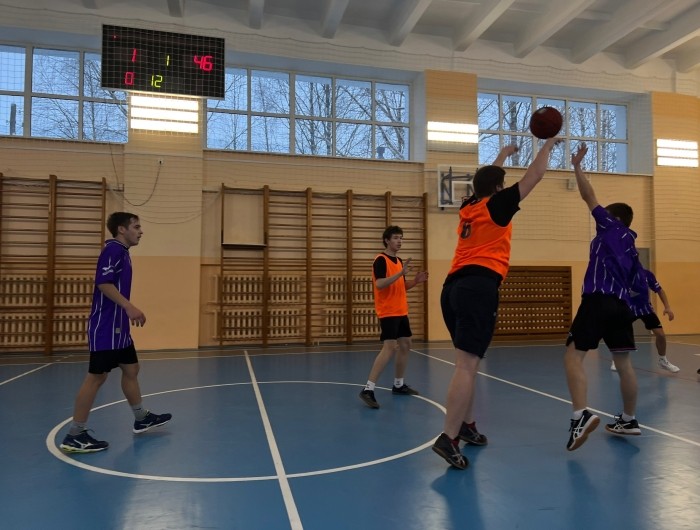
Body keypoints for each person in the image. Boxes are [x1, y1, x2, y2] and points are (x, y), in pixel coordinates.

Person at [432, 139, 559, 469]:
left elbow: (484, 179)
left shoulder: (469, 206)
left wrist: (502, 155)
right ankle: (448, 437)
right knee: (466, 366)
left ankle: (466, 425)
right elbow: (534, 176)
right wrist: (546, 145)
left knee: (468, 363)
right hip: (478, 286)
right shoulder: (497, 205)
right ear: (499, 188)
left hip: (452, 288)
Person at [60, 212, 172, 453]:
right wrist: (129, 306)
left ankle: (141, 418)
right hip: (106, 327)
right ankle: (75, 434)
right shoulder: (112, 250)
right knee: (96, 377)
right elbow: (103, 283)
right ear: (122, 229)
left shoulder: (123, 253)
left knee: (131, 369)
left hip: (119, 327)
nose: (140, 231)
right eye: (136, 227)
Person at [564, 143, 644, 452]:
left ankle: (580, 416)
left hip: (599, 299)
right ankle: (629, 419)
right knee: (623, 364)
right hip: (622, 306)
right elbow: (638, 285)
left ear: (615, 217)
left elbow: (588, 196)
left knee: (573, 356)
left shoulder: (611, 226)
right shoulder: (632, 248)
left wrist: (577, 166)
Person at [358, 226, 428, 409]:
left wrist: (415, 281)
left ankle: (398, 385)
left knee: (406, 344)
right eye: (396, 238)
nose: (399, 241)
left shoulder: (399, 261)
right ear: (387, 240)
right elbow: (380, 284)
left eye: (401, 238)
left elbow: (401, 286)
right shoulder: (380, 260)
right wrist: (400, 274)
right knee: (389, 347)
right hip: (388, 311)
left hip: (401, 310)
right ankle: (368, 389)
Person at [610, 268, 679, 373]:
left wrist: (667, 307)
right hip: (628, 309)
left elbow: (659, 290)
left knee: (660, 335)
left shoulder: (647, 274)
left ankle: (663, 360)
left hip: (646, 309)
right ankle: (617, 359)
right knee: (621, 334)